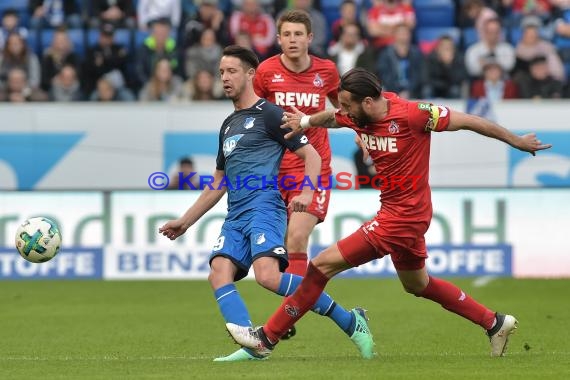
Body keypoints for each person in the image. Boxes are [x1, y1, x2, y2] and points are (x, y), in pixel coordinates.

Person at [226, 67, 552, 358]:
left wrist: (516, 141)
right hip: (401, 214)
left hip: (402, 217)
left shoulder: (414, 115)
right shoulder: (357, 114)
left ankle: (267, 337)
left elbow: (472, 121)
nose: (345, 112)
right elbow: (332, 118)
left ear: (368, 102)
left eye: (349, 105)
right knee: (417, 284)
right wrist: (307, 121)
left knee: (321, 264)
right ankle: (494, 323)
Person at [159, 46, 374, 362]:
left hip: (265, 207)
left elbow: (311, 156)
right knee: (218, 271)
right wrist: (185, 221)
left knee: (268, 277)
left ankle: (349, 319)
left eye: (232, 71)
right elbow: (219, 182)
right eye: (221, 72)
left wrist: (306, 192)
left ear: (250, 74)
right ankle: (253, 343)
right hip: (236, 214)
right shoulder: (228, 125)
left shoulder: (272, 114)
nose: (224, 78)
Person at [251, 9, 342, 341]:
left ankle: (287, 316)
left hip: (314, 167)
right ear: (279, 39)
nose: (292, 40)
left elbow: (341, 112)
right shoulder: (265, 72)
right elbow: (255, 114)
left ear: (309, 38)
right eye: (286, 35)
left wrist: (312, 120)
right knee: (278, 250)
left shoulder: (327, 72)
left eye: (298, 34)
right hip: (277, 169)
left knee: (297, 237)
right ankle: (297, 310)